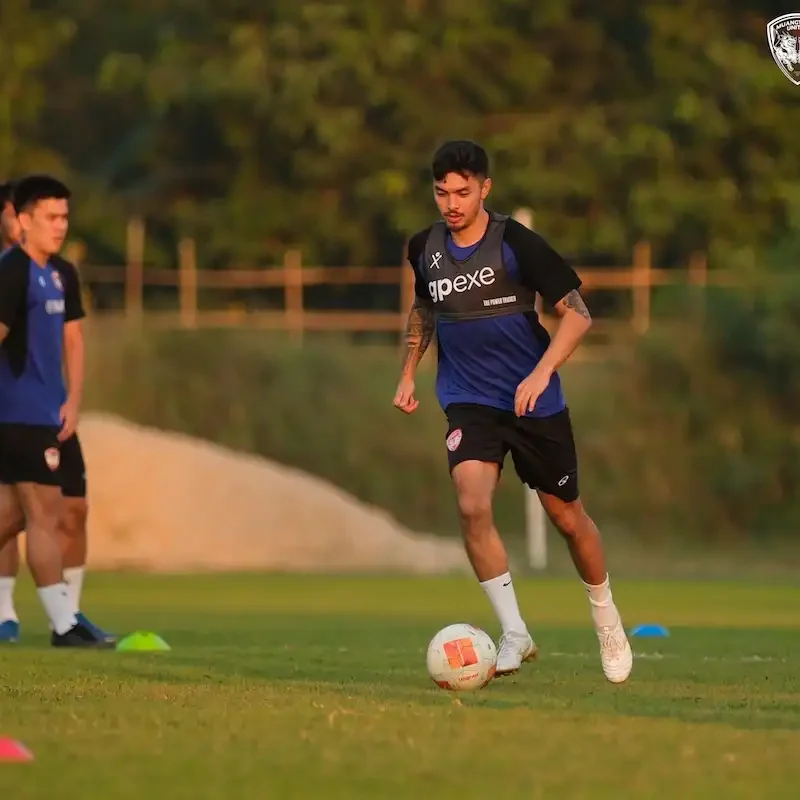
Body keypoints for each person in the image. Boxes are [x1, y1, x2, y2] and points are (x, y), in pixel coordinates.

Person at [393, 141, 632, 683]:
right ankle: (515, 633)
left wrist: (542, 371)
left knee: (568, 518)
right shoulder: (423, 248)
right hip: (468, 401)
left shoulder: (515, 242)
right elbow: (424, 307)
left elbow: (578, 314)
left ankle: (606, 617)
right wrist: (409, 370)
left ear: (484, 189)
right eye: (441, 192)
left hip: (533, 401)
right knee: (472, 505)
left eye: (462, 192)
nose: (451, 203)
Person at [0, 174, 112, 647]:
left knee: (12, 514)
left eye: (65, 216)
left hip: (46, 411)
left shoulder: (57, 272)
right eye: (51, 217)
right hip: (19, 413)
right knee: (44, 512)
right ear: (23, 221)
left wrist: (73, 400)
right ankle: (65, 624)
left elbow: (73, 339)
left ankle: (67, 620)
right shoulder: (13, 271)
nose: (60, 226)